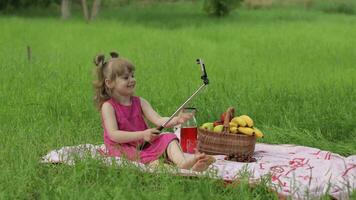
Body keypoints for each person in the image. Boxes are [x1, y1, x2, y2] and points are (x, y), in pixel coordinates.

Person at [93, 52, 215, 172]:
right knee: (148, 160)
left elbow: (158, 120)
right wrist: (142, 134)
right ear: (109, 83)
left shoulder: (140, 102)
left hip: (143, 144)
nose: (132, 80)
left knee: (168, 137)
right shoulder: (108, 107)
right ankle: (170, 168)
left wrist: (176, 120)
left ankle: (183, 163)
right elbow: (114, 134)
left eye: (133, 76)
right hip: (122, 147)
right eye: (126, 77)